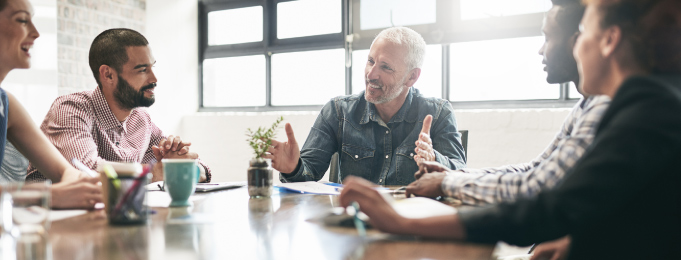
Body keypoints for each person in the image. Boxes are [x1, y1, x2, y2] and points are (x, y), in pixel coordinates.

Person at [339, 0, 681, 258]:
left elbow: (549, 206)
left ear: (609, 40)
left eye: (585, 34)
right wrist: (577, 240)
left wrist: (404, 223)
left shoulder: (647, 108)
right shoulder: (649, 102)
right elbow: (609, 201)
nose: (577, 46)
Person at [407, 0, 610, 205]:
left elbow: (536, 186)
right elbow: (534, 168)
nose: (541, 50)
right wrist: (455, 176)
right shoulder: (585, 106)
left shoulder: (603, 106)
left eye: (548, 38)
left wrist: (447, 182)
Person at [266, 27, 466, 185]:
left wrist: (434, 160)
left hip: (409, 227)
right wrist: (293, 168)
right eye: (371, 61)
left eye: (385, 67)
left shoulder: (438, 113)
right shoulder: (338, 111)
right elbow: (308, 174)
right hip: (352, 225)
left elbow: (460, 176)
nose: (371, 75)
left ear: (412, 77)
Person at [25, 29, 211, 183]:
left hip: (111, 219)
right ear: (108, 75)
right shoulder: (70, 109)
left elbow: (201, 169)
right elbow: (87, 172)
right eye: (142, 70)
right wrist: (154, 174)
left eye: (152, 67)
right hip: (50, 220)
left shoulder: (140, 119)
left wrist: (183, 166)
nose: (154, 79)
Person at [0, 0, 102, 209]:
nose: (36, 33)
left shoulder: (6, 104)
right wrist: (47, 195)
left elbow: (64, 171)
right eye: (22, 20)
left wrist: (90, 185)